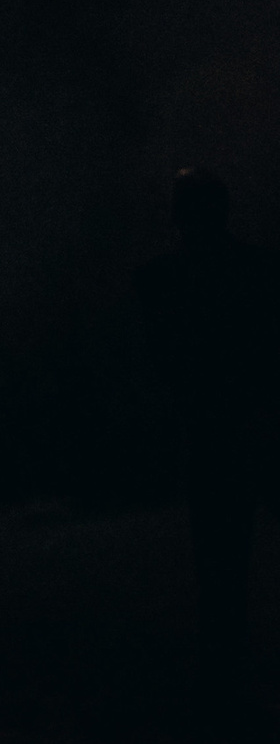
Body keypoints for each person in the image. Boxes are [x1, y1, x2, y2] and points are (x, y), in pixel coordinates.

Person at [139, 168, 276, 688]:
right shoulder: (261, 271)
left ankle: (225, 678)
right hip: (256, 427)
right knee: (222, 562)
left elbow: (163, 367)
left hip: (216, 434)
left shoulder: (160, 281)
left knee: (219, 566)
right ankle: (227, 677)